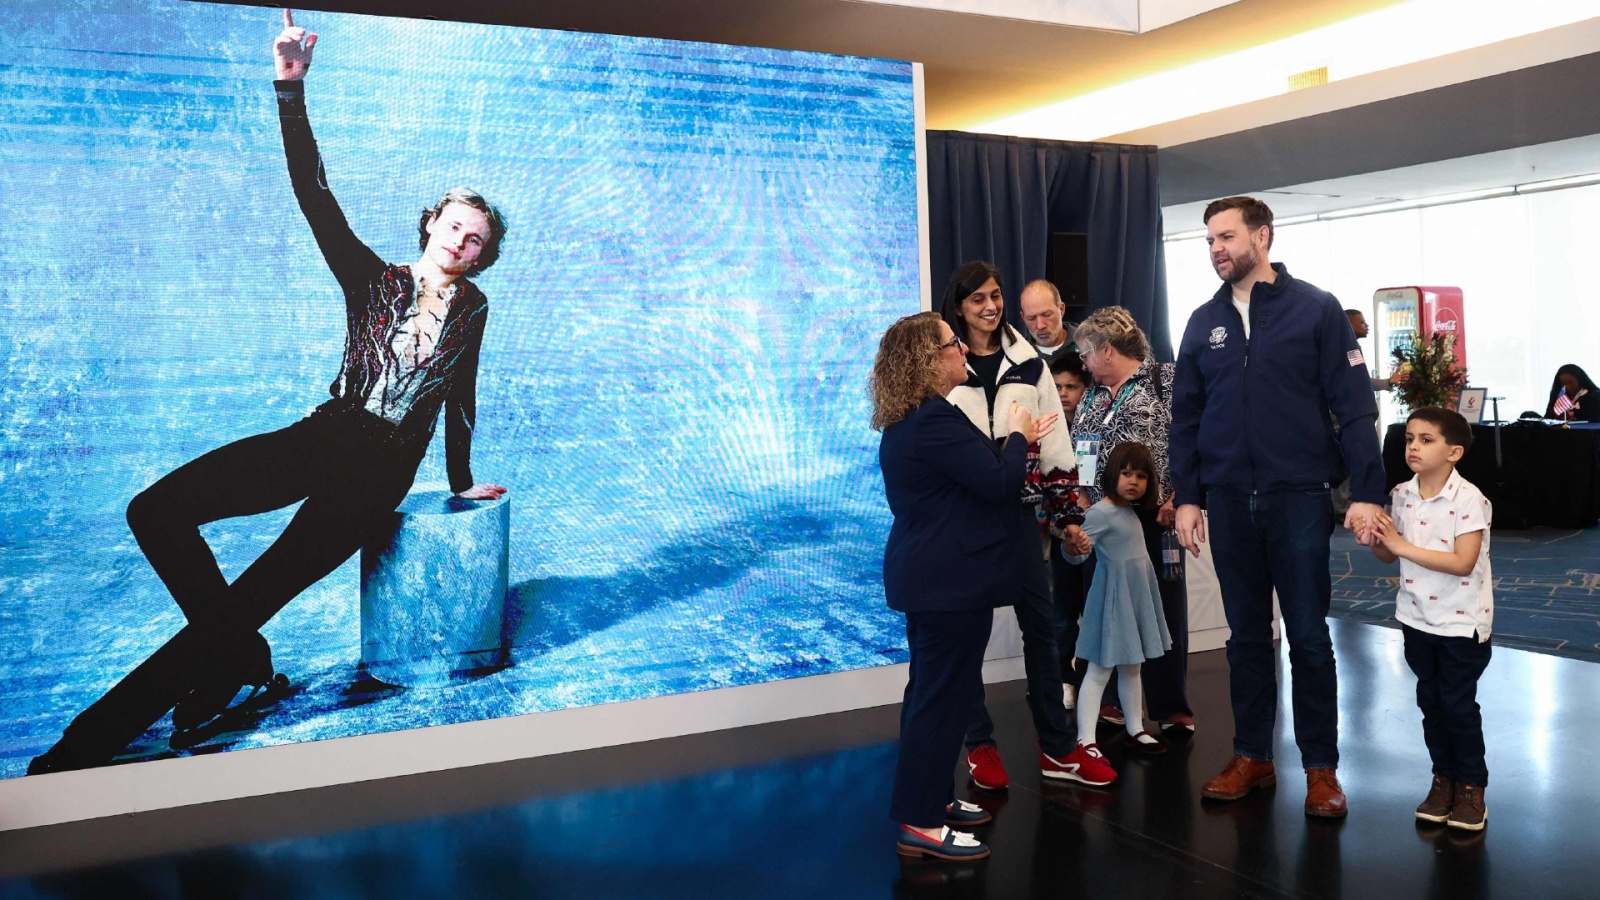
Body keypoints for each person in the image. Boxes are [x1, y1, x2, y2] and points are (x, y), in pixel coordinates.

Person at [62, 9, 509, 744]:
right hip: (324, 436)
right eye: (455, 225)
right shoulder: (372, 279)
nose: (462, 241)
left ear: (483, 257)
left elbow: (461, 398)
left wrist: (459, 481)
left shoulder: (475, 310)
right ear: (431, 223)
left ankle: (85, 744)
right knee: (156, 511)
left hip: (377, 478)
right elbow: (315, 194)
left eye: (477, 240)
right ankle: (241, 659)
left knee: (253, 596)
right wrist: (290, 87)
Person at [1170, 196, 1385, 818]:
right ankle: (1252, 756)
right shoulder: (1202, 322)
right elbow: (1186, 419)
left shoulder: (1315, 309)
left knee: (1309, 637)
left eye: (1227, 237)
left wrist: (1368, 491)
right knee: (1245, 638)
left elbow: (1355, 408)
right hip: (1228, 499)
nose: (1217, 249)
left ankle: (1320, 767)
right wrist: (1188, 496)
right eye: (1210, 240)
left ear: (1262, 236)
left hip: (1298, 497)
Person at [874, 311, 1057, 860]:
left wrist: (1017, 441)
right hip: (946, 582)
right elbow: (1000, 482)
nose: (963, 349)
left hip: (937, 579)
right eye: (953, 343)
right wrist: (1020, 434)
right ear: (928, 359)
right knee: (939, 700)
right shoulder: (931, 421)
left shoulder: (918, 419)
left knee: (932, 697)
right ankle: (922, 822)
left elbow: (981, 474)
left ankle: (927, 800)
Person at [940, 261, 1085, 792]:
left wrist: (1068, 516)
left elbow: (1057, 446)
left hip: (1022, 516)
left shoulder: (1028, 363)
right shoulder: (943, 367)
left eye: (996, 296)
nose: (990, 306)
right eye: (978, 298)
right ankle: (979, 745)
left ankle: (1058, 747)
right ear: (959, 306)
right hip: (966, 521)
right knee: (966, 640)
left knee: (1042, 631)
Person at [1362, 408, 1494, 832]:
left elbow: (1462, 562)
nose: (1413, 447)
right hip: (1416, 618)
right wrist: (1375, 540)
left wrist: (1399, 545)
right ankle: (1443, 780)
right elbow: (1390, 555)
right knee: (1431, 704)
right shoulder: (1402, 493)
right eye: (1409, 439)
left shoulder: (1468, 499)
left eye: (1426, 439)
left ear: (1454, 452)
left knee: (1457, 706)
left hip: (1461, 624)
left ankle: (1471, 787)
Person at [1068, 307, 1193, 735]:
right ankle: (1112, 702)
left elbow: (1193, 439)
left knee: (1162, 611)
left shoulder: (1165, 380)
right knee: (1105, 608)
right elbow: (1081, 447)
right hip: (1103, 517)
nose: (1083, 362)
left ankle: (1170, 706)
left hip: (1157, 516)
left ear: (1107, 350)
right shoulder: (1092, 394)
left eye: (1086, 353)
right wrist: (1082, 493)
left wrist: (1180, 496)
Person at [1058, 441, 1173, 786]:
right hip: (1113, 600)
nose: (1133, 481)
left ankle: (1135, 728)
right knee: (1099, 670)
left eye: (1141, 476)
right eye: (1126, 474)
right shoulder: (1100, 513)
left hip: (1134, 598)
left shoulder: (1128, 511)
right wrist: (1073, 546)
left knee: (1132, 666)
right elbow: (1077, 553)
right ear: (1112, 475)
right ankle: (1085, 740)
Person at [1047, 353, 1091, 710]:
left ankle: (1093, 682)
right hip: (1060, 532)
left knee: (1094, 611)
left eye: (1071, 387)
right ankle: (1061, 678)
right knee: (1062, 613)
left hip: (1097, 532)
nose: (1063, 394)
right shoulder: (1045, 428)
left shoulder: (1096, 424)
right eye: (1057, 386)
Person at [1019, 279, 1072, 364]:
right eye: (1031, 318)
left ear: (1061, 309)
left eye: (1047, 315)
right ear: (1023, 317)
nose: (1040, 326)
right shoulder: (1017, 356)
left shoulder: (1088, 345)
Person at [1345, 309, 1397, 393]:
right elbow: (1361, 380)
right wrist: (1389, 381)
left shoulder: (1344, 345)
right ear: (1349, 325)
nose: (1367, 325)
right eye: (1362, 322)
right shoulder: (1351, 349)